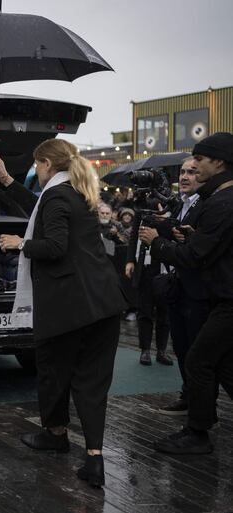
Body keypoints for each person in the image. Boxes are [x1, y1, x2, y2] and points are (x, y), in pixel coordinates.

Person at [0, 138, 126, 488]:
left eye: (37, 164)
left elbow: (54, 246)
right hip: (104, 303)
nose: (36, 170)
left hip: (68, 306)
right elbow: (43, 210)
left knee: (53, 371)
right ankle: (94, 457)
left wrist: (19, 243)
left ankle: (55, 434)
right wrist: (8, 182)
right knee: (92, 383)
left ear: (47, 164)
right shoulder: (78, 192)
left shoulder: (55, 196)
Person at [140, 132, 233, 454]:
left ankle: (197, 434)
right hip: (221, 297)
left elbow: (194, 257)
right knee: (222, 365)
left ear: (218, 162)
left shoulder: (221, 202)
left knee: (198, 360)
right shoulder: (219, 200)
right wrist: (194, 236)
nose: (194, 166)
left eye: (200, 160)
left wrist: (156, 243)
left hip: (226, 300)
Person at [156, 158, 209, 415]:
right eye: (182, 172)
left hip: (198, 289)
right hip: (178, 285)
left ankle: (202, 408)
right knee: (180, 345)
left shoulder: (208, 204)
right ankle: (188, 395)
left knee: (197, 352)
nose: (185, 177)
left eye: (192, 172)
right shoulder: (179, 203)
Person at [126, 198, 172, 366]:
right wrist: (130, 260)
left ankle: (161, 350)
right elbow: (134, 235)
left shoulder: (171, 206)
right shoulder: (141, 208)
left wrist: (164, 220)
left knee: (164, 312)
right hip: (145, 266)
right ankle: (145, 350)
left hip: (164, 266)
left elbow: (173, 235)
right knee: (144, 310)